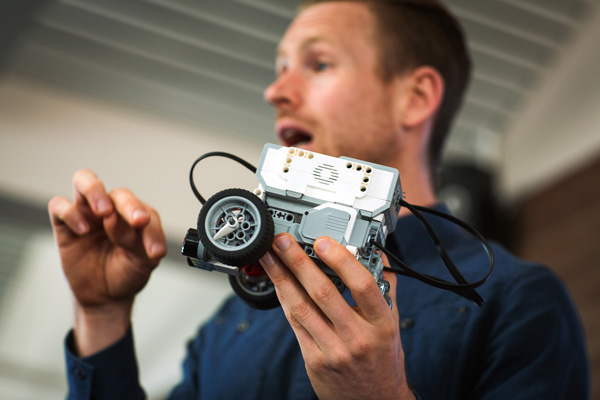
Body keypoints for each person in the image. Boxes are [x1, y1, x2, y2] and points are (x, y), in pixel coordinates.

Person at [49, 0, 590, 399]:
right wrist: (101, 316)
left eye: (318, 64)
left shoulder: (513, 302)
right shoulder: (232, 318)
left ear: (416, 97)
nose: (276, 91)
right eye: (280, 67)